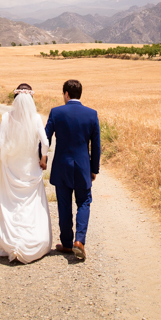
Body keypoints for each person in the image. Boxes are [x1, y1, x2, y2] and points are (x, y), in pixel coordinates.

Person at [0, 83, 52, 263]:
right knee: (31, 206)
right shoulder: (35, 118)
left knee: (10, 206)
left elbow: (2, 142)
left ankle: (9, 244)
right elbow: (46, 142)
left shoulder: (6, 117)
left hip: (11, 169)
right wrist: (42, 159)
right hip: (30, 170)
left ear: (15, 99)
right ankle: (33, 241)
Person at [45, 79, 100, 260]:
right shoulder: (92, 114)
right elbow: (96, 146)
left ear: (66, 94)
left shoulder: (56, 112)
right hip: (83, 167)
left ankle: (67, 243)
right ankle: (80, 241)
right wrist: (94, 169)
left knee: (64, 204)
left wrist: (42, 158)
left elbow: (46, 140)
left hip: (61, 166)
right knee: (84, 202)